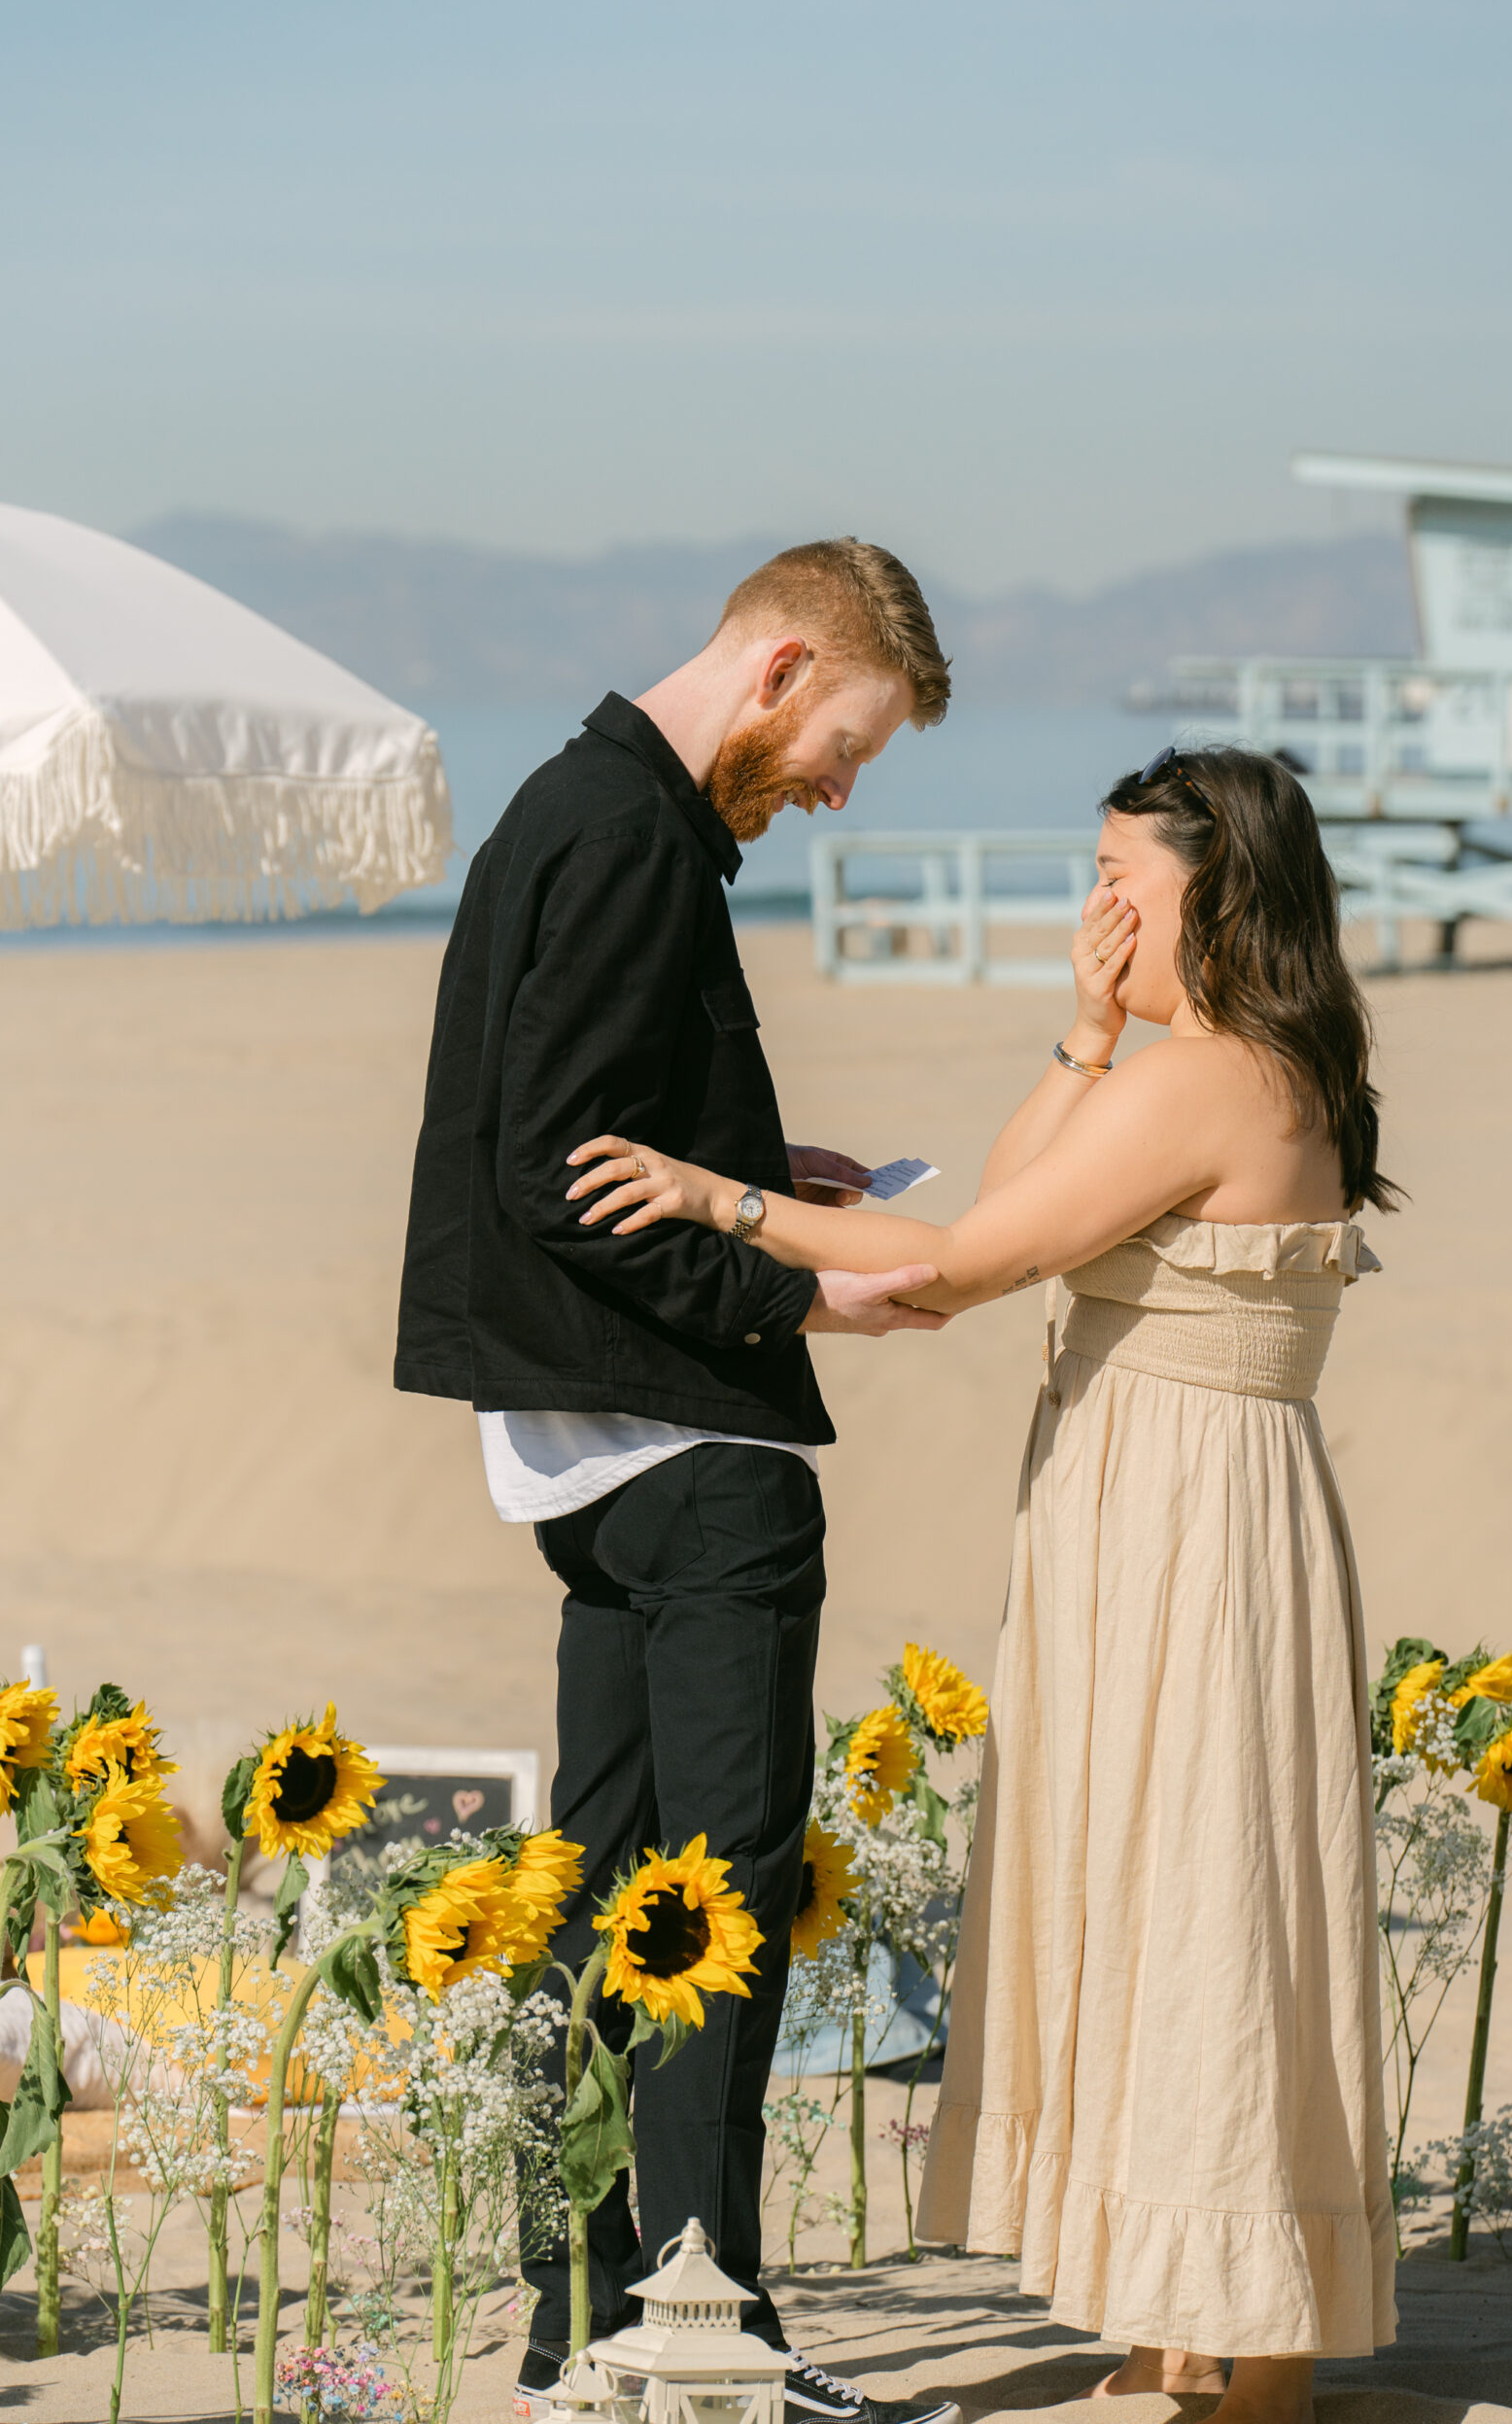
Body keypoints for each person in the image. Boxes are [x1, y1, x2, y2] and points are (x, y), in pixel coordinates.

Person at [565, 746, 1398, 2424]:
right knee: (1167, 1887)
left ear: (1216, 893)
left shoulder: (1222, 1073)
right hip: (1160, 1506)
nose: (1095, 913)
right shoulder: (1197, 1062)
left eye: (1123, 886)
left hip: (1189, 1521)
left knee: (1206, 1892)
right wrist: (1082, 1035)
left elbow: (965, 1261)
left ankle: (1253, 2358)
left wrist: (716, 1199)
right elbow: (1019, 1202)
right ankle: (1189, 2324)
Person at [394, 538, 962, 2424]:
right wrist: (811, 1288)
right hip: (692, 1452)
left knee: (599, 1890)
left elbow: (574, 1121)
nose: (835, 786)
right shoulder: (629, 834)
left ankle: (588, 2325)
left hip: (580, 1454)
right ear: (783, 662)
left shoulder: (568, 810)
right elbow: (563, 1166)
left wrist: (746, 1153)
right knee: (710, 1896)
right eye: (845, 744)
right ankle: (710, 2339)